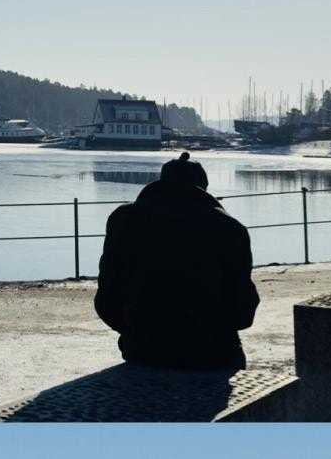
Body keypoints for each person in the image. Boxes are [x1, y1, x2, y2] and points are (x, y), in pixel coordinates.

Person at [94, 151, 259, 371]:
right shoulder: (230, 228)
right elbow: (243, 308)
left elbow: (107, 295)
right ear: (204, 187)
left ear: (161, 182)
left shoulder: (123, 219)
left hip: (143, 349)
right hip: (215, 353)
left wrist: (134, 330)